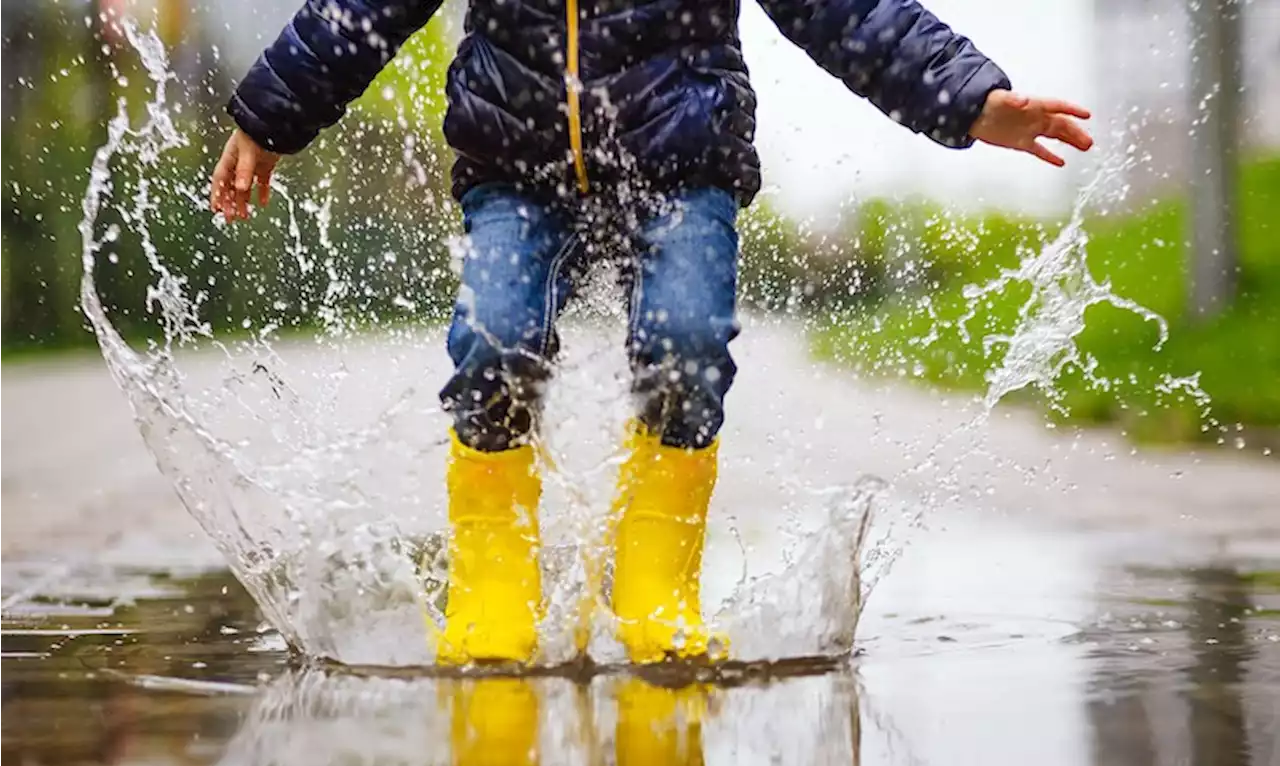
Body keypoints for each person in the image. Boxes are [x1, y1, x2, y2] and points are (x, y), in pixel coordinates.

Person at [210, 0, 1093, 667]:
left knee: (688, 345)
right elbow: (365, 7)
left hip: (681, 167)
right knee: (497, 345)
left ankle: (655, 583)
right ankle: (493, 581)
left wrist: (968, 96)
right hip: (515, 169)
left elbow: (844, 9)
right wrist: (271, 116)